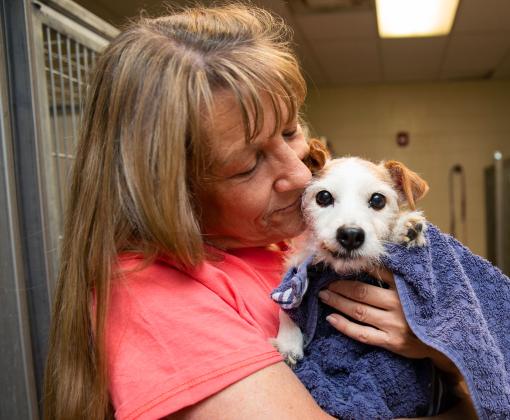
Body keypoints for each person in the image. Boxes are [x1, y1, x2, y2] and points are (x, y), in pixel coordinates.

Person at [43, 3, 475, 419]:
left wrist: (436, 348)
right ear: (172, 191)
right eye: (248, 165)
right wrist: (464, 410)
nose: (301, 174)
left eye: (290, 131)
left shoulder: (287, 239)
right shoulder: (152, 294)